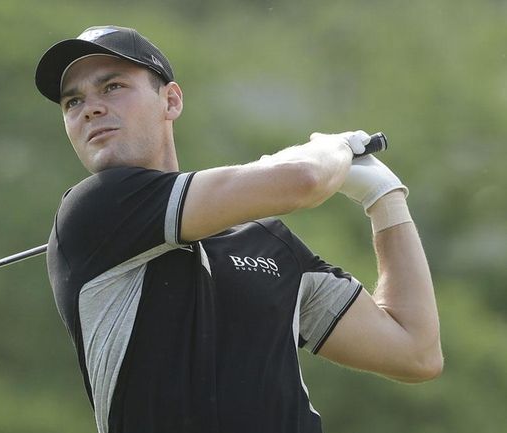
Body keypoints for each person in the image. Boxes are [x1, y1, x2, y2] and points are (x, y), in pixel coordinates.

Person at [34, 25, 442, 433]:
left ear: (170, 101)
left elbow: (415, 353)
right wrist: (331, 148)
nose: (89, 108)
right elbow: (303, 179)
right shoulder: (92, 209)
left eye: (112, 87)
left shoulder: (267, 241)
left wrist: (385, 199)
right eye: (73, 102)